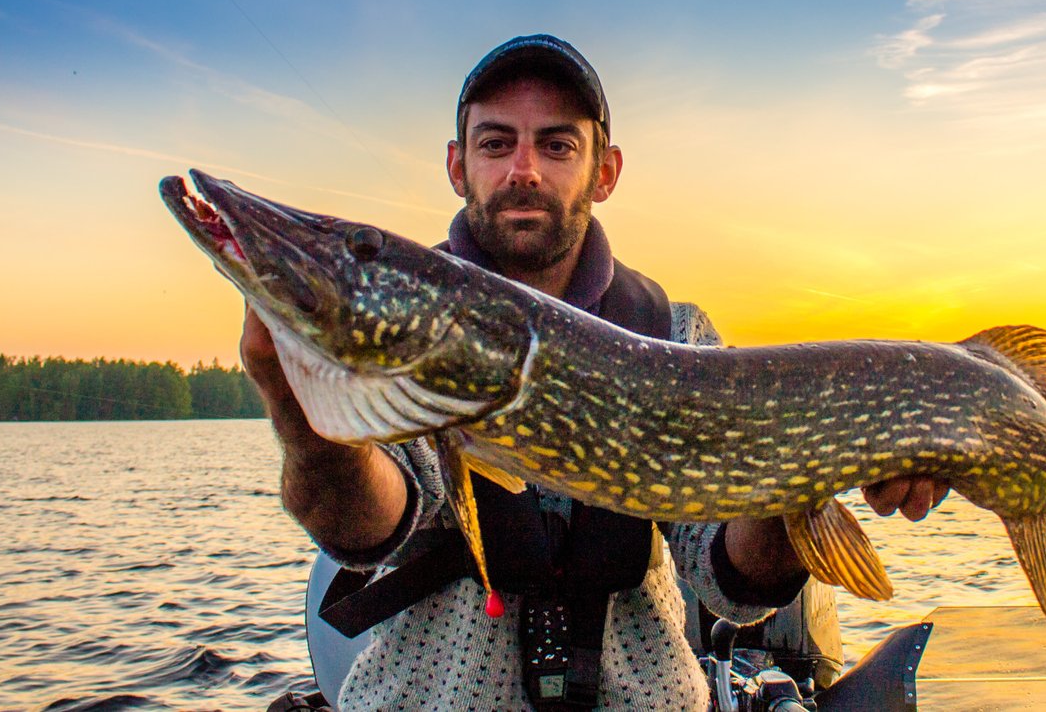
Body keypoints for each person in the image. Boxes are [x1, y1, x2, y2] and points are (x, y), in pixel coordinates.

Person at [242, 35, 948, 711]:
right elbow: (367, 527)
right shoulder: (413, 322)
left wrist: (799, 479)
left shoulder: (675, 335)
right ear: (458, 166)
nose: (524, 169)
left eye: (557, 145)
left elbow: (735, 583)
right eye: (496, 143)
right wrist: (301, 418)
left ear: (603, 171)